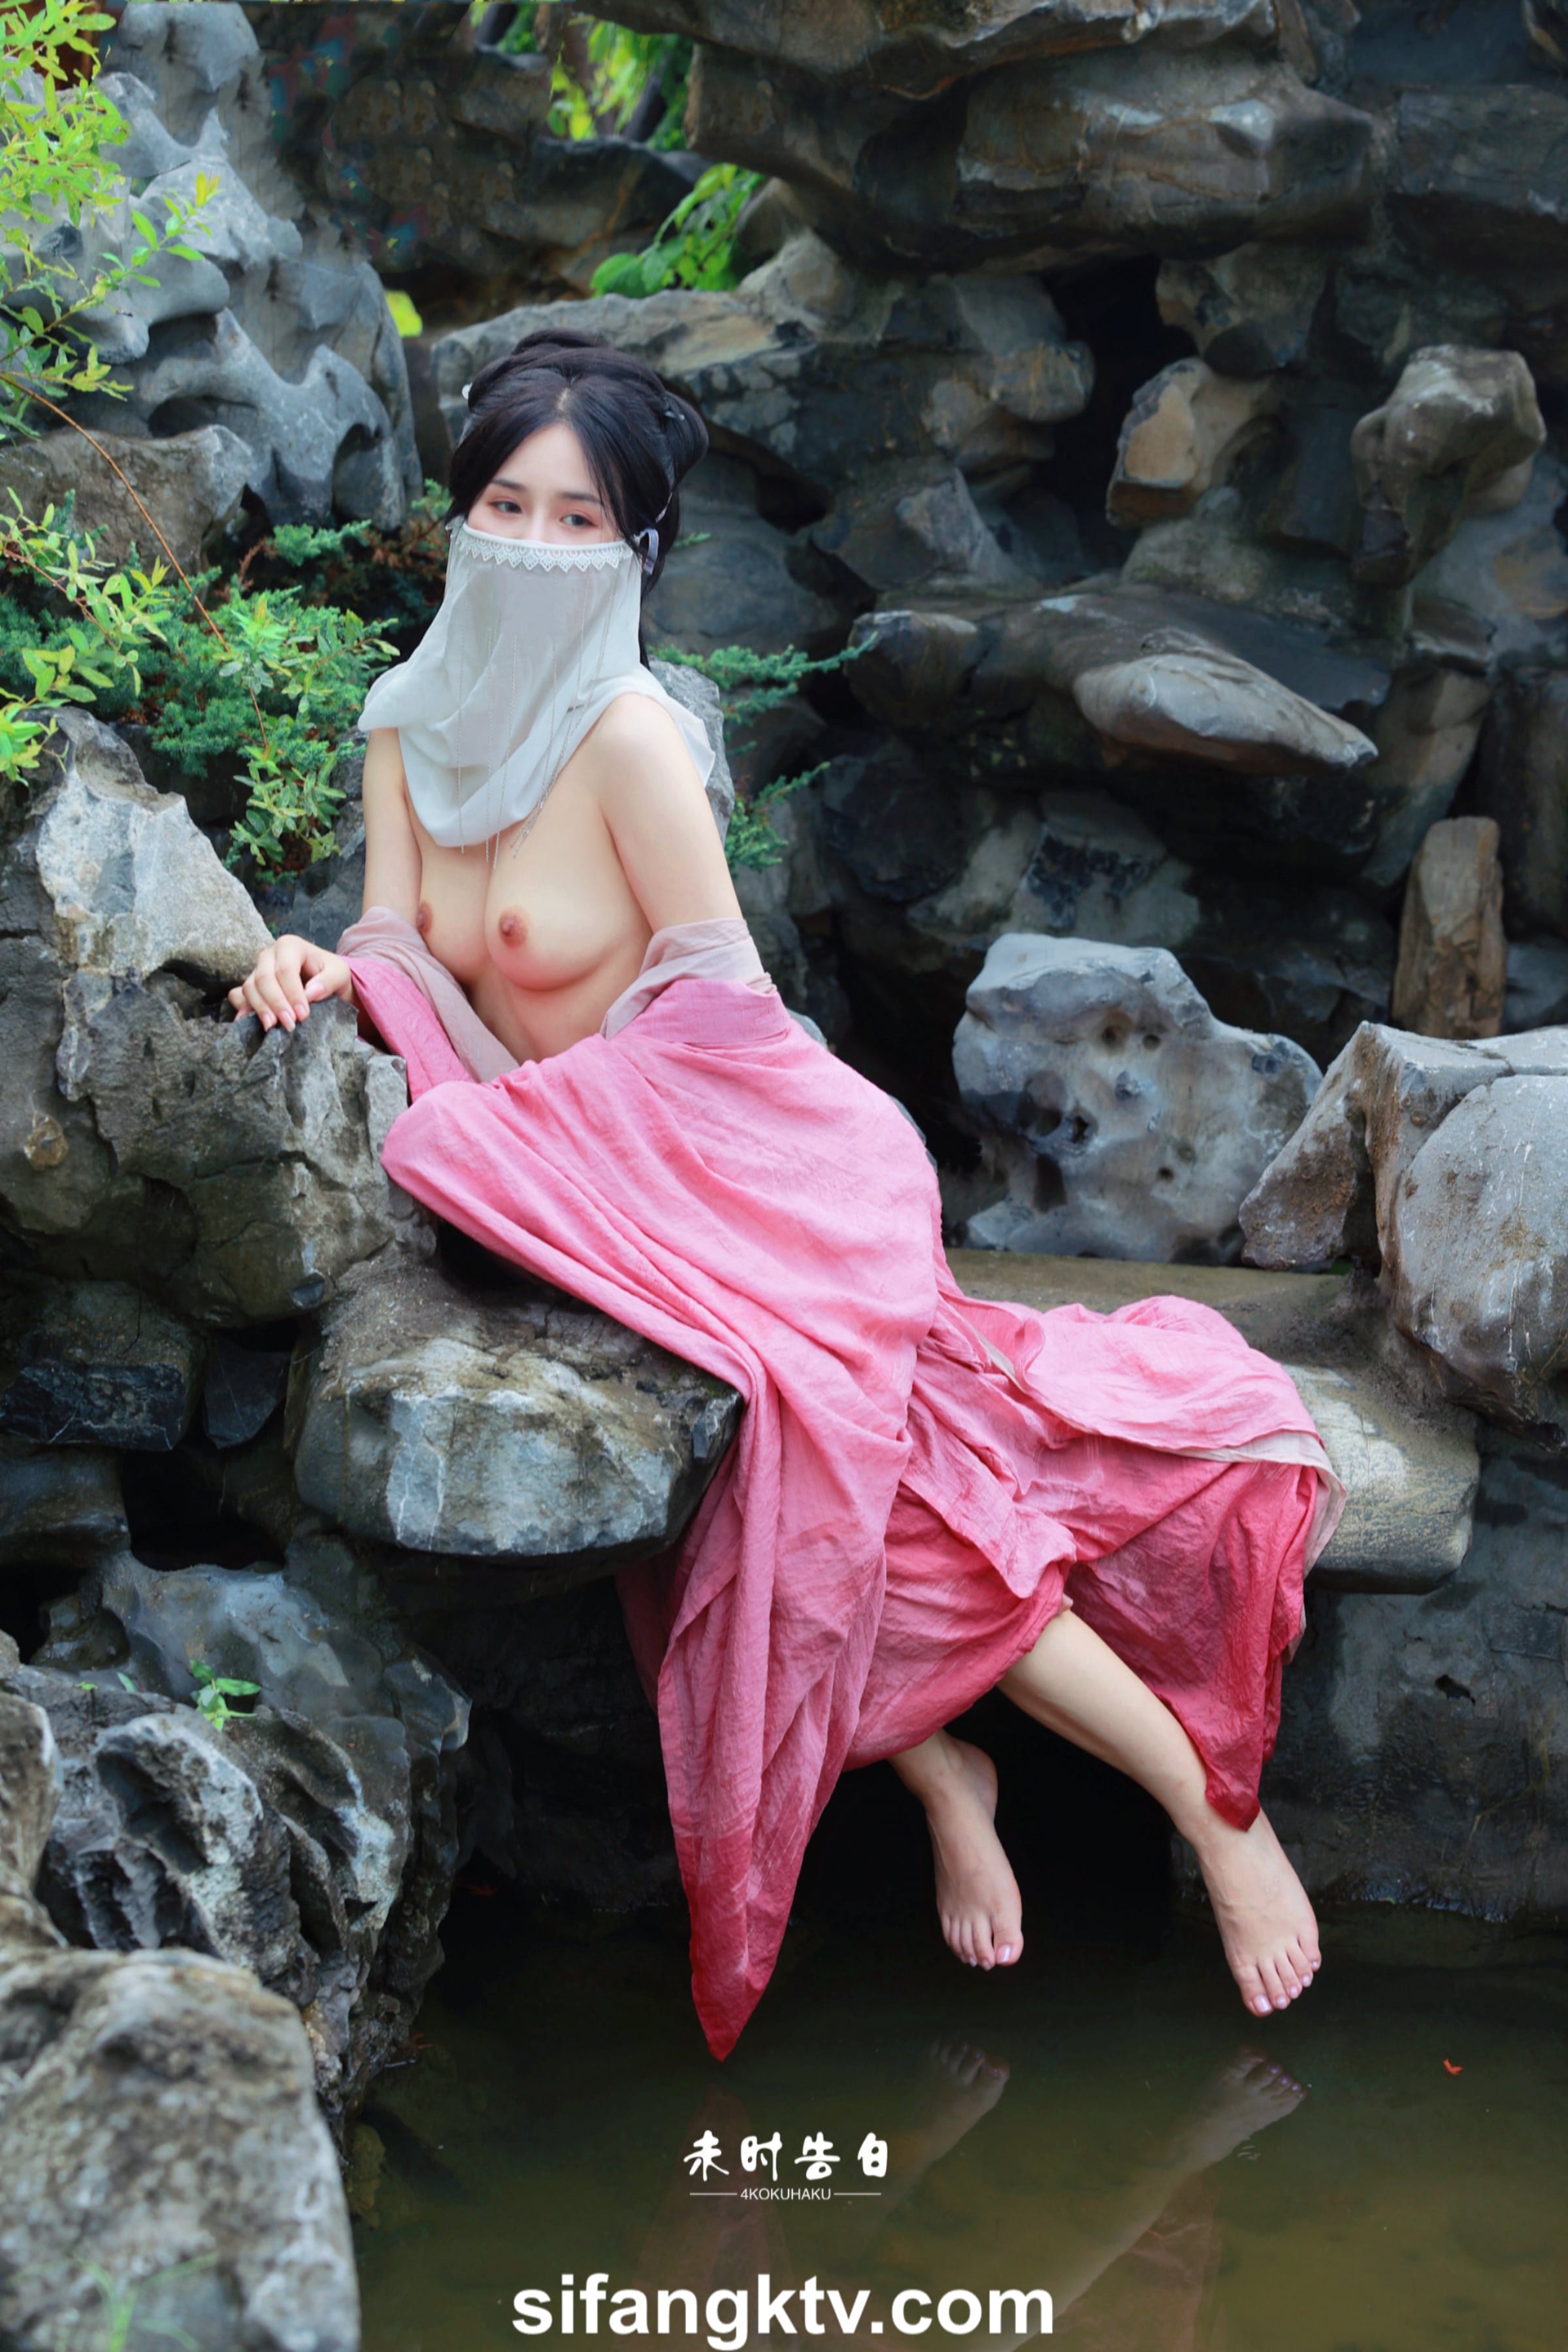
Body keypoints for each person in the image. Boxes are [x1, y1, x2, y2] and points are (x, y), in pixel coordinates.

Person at [229, 329, 1345, 2062]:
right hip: (584, 1190)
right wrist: (319, 959)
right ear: (458, 517)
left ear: (636, 552)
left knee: (880, 1473)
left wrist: (548, 1128)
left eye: (578, 520)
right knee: (747, 1490)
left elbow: (721, 1006)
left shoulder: (627, 742)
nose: (533, 544)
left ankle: (1216, 1812)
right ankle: (942, 1767)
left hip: (742, 1162)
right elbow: (396, 944)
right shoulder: (403, 726)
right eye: (506, 505)